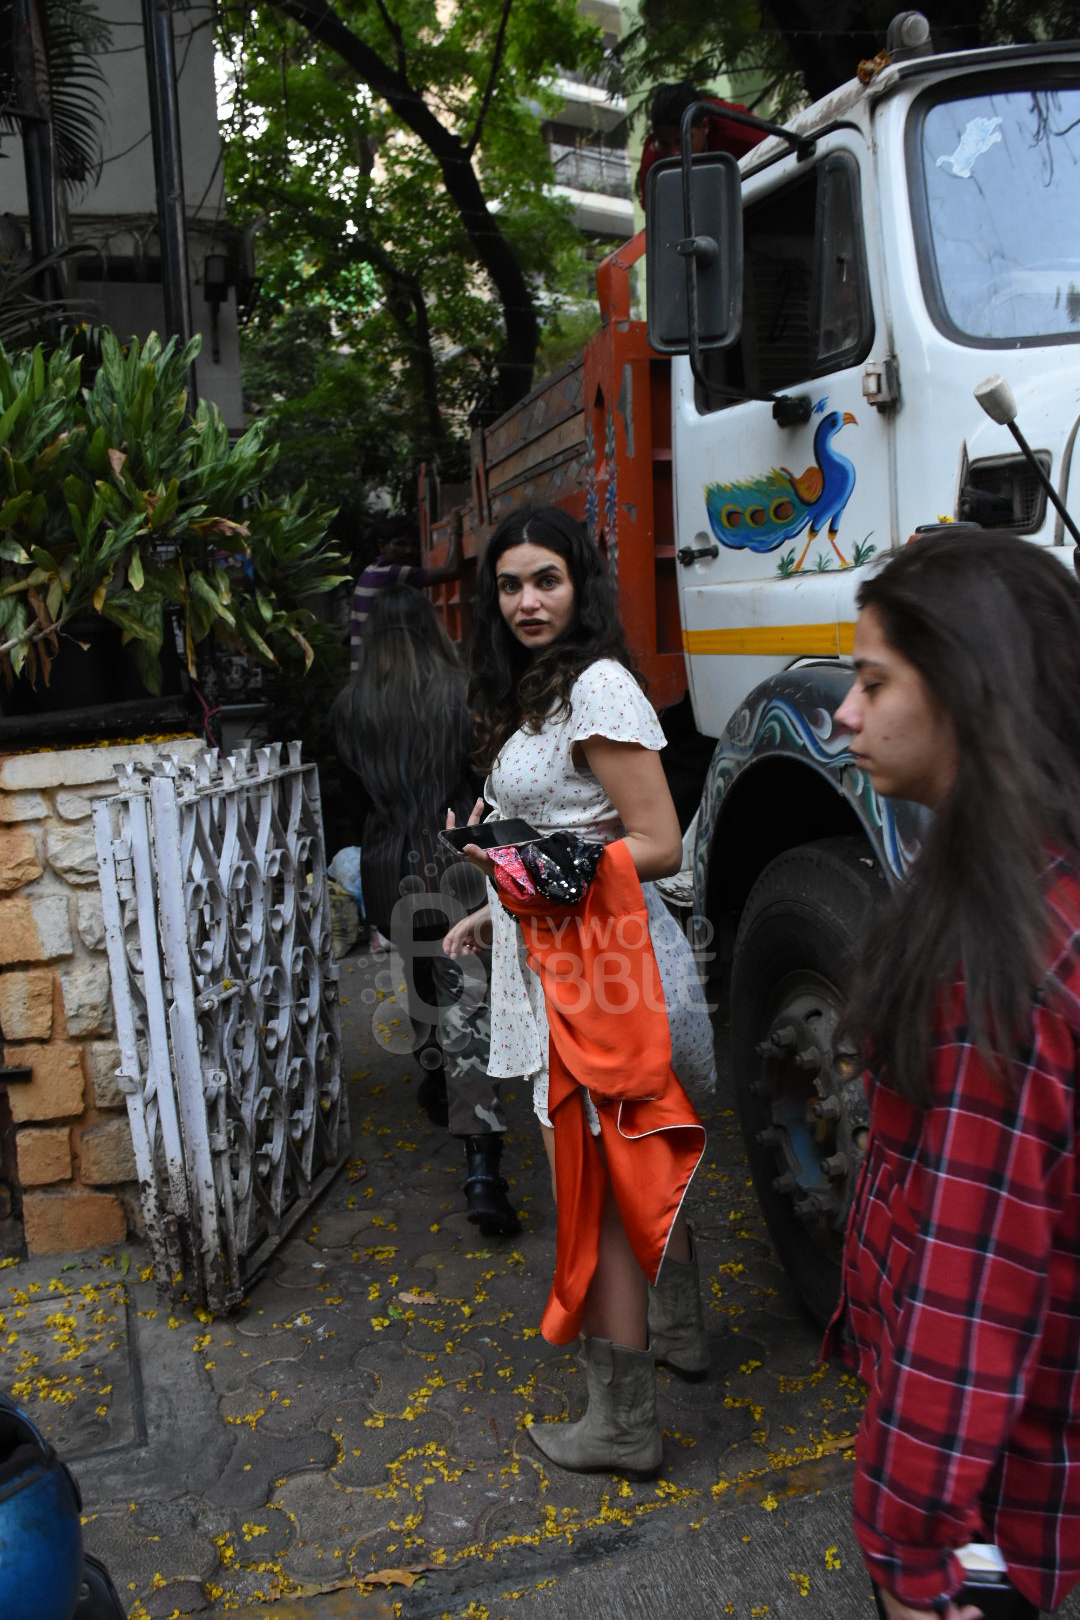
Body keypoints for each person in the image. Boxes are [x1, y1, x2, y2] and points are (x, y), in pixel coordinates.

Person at [825, 529, 1080, 1620]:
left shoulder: (1003, 964)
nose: (844, 712)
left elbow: (967, 1287)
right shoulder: (1037, 886)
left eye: (875, 679)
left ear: (973, 689)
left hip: (996, 1508)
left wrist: (910, 1554)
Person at [444, 505, 716, 1478]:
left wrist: (530, 880)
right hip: (563, 959)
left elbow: (657, 841)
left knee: (596, 1192)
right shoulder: (535, 690)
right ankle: (679, 1337)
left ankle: (623, 1421)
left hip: (601, 972)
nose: (527, 600)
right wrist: (495, 904)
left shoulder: (595, 684)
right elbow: (556, 826)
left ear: (579, 584)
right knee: (628, 1162)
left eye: (545, 580)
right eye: (511, 584)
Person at [332, 584, 519, 1236]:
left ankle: (435, 1078)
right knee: (466, 996)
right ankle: (481, 1166)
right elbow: (486, 778)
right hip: (454, 859)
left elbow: (347, 797)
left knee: (417, 975)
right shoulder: (461, 690)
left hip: (389, 869)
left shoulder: (351, 706)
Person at [349, 529, 462, 673]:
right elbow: (452, 570)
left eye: (413, 545)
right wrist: (455, 530)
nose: (408, 550)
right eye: (400, 544)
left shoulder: (370, 571)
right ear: (382, 545)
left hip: (364, 670)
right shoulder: (392, 573)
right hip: (378, 672)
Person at [637, 79, 765, 200]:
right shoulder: (654, 164)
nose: (674, 154)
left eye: (682, 142)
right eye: (665, 144)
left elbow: (776, 151)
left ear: (705, 126)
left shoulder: (736, 128)